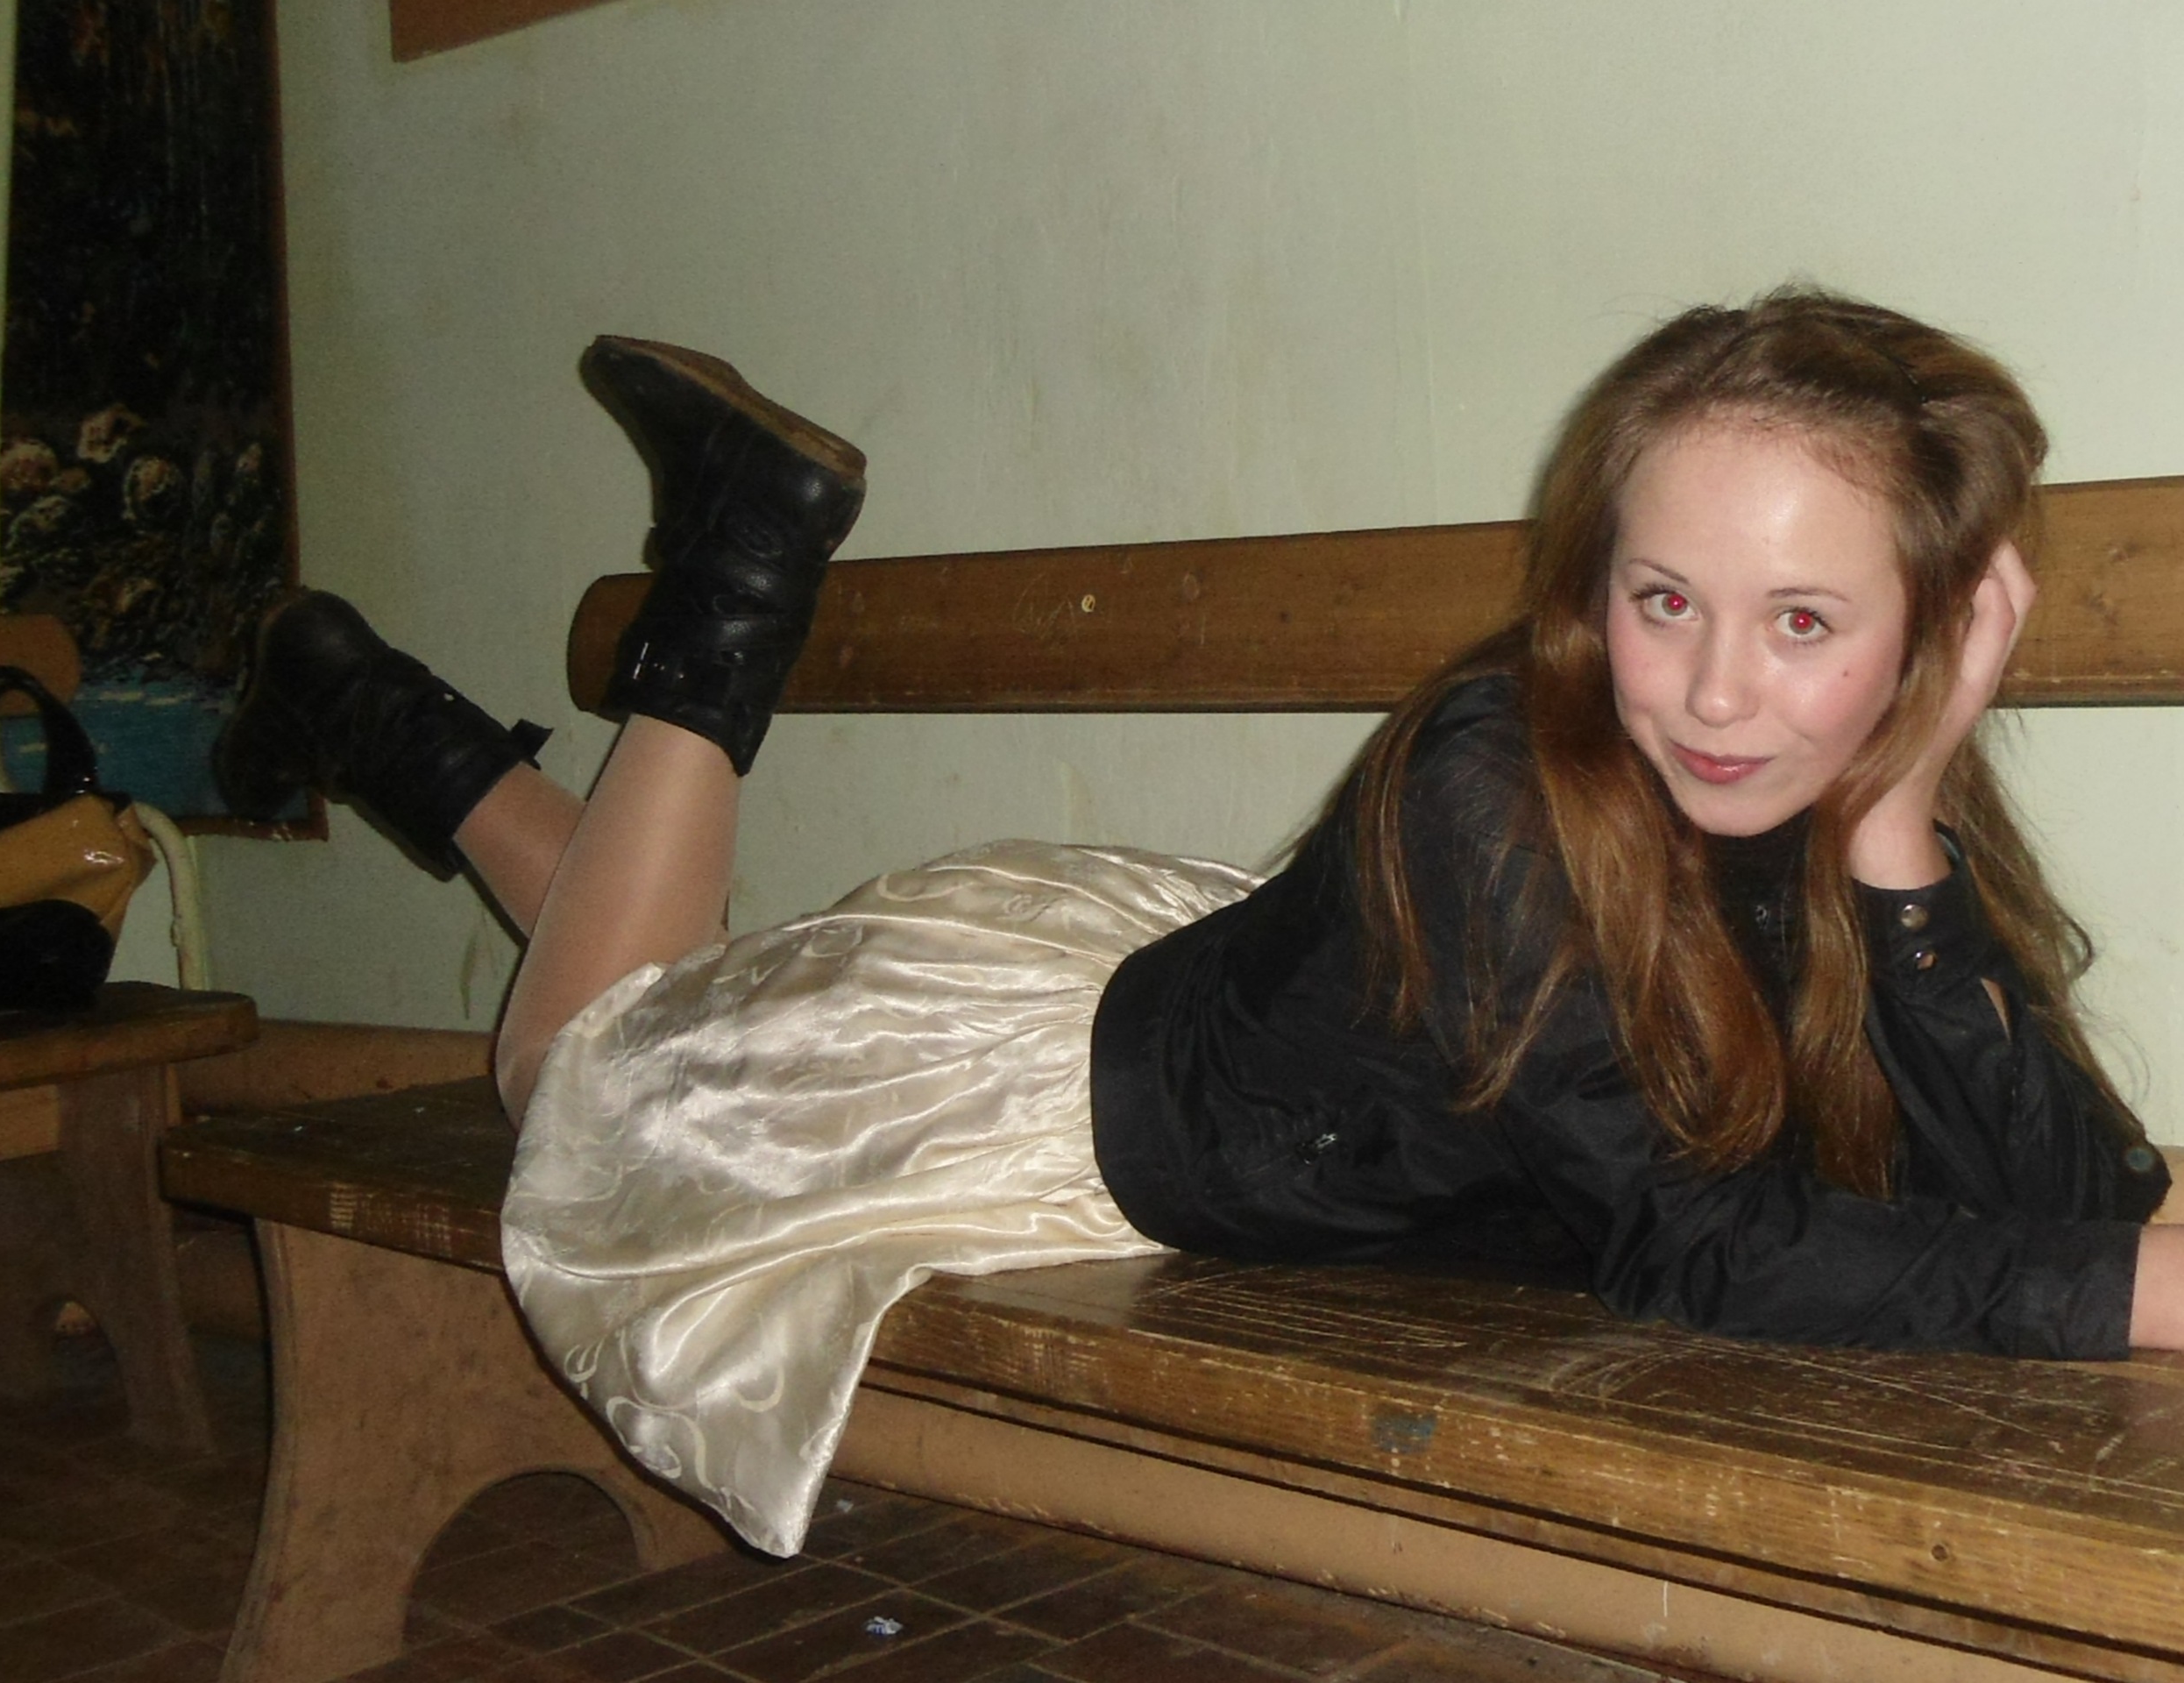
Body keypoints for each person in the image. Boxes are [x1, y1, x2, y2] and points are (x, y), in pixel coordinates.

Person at [215, 295, 2181, 1559]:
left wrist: (1903, 823)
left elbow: (2072, 1191)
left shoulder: (1838, 792)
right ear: (1598, 580)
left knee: (653, 998)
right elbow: (1691, 1248)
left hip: (1245, 1018)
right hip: (1031, 1110)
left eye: (1805, 623)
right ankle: (733, 578)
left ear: (1933, 637)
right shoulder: (1501, 770)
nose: (1718, 690)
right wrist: (2140, 1293)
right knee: (569, 1072)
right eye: (1661, 599)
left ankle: (374, 718)